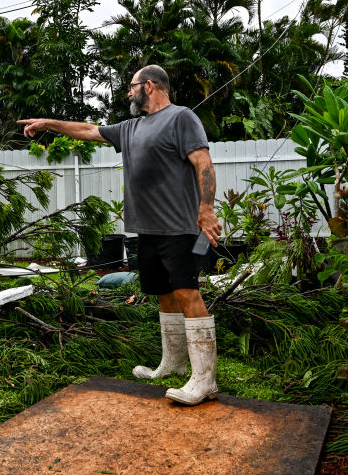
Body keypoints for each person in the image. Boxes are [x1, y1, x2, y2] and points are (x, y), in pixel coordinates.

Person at [18, 64, 222, 406]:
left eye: (132, 87)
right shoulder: (131, 127)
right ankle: (172, 364)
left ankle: (205, 379)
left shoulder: (181, 118)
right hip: (148, 229)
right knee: (163, 294)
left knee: (187, 293)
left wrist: (207, 210)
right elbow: (86, 129)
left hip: (180, 227)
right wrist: (49, 123)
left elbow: (204, 163)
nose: (128, 92)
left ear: (151, 86)